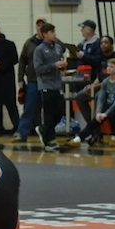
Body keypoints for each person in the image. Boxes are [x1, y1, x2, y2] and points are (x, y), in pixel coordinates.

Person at [72, 58, 115, 147]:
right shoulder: (105, 82)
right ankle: (80, 137)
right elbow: (101, 98)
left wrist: (106, 113)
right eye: (108, 66)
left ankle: (114, 135)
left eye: (111, 67)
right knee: (96, 119)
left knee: (113, 114)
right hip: (109, 104)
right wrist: (98, 112)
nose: (108, 68)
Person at [33, 22, 68, 152]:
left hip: (57, 84)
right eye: (52, 32)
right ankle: (50, 142)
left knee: (59, 112)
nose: (55, 34)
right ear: (44, 34)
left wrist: (63, 66)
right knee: (49, 114)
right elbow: (38, 69)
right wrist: (54, 65)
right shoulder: (39, 50)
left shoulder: (58, 47)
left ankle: (43, 129)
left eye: (54, 32)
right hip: (45, 85)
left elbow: (60, 62)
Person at [14, 18, 47, 142]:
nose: (40, 27)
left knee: (48, 109)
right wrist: (20, 78)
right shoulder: (29, 42)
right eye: (38, 25)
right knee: (29, 108)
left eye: (42, 25)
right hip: (33, 80)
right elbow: (22, 61)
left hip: (47, 81)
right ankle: (22, 133)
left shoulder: (50, 42)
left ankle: (47, 133)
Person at [72, 19, 103, 124]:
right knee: (79, 99)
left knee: (93, 103)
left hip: (93, 79)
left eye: (83, 28)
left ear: (89, 30)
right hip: (81, 78)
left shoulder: (98, 43)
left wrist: (83, 56)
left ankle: (93, 127)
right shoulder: (81, 44)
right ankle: (89, 126)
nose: (81, 30)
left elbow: (97, 60)